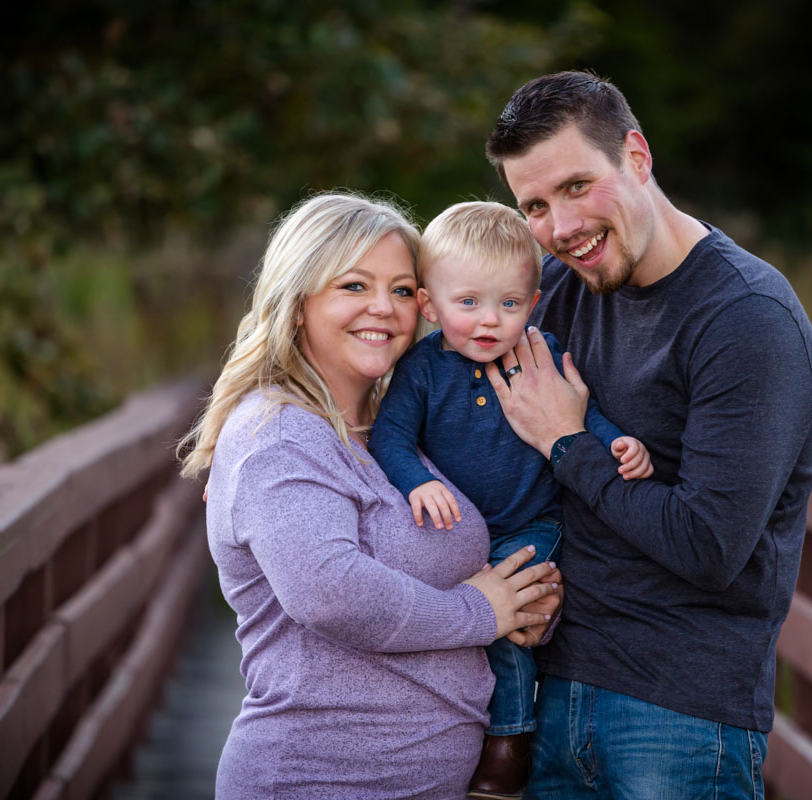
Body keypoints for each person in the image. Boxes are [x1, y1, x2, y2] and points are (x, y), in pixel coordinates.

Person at [482, 71, 812, 799]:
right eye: (535, 206)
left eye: (578, 187)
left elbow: (710, 548)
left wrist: (569, 444)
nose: (561, 226)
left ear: (636, 157)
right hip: (551, 698)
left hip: (679, 718)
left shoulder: (745, 319)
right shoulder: (555, 294)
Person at [177, 192, 563, 799]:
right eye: (354, 286)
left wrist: (524, 603)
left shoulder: (396, 432)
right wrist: (481, 612)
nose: (384, 308)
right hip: (321, 779)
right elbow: (330, 591)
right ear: (298, 302)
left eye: (403, 289)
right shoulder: (280, 434)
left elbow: (463, 567)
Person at [368, 201, 653, 799]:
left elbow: (584, 412)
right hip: (450, 530)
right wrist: (417, 482)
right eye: (467, 303)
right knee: (461, 617)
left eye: (509, 303)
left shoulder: (536, 352)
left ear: (534, 300)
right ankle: (458, 729)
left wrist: (617, 442)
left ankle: (510, 739)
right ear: (429, 305)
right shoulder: (421, 370)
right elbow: (391, 436)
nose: (488, 322)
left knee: (508, 618)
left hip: (530, 521)